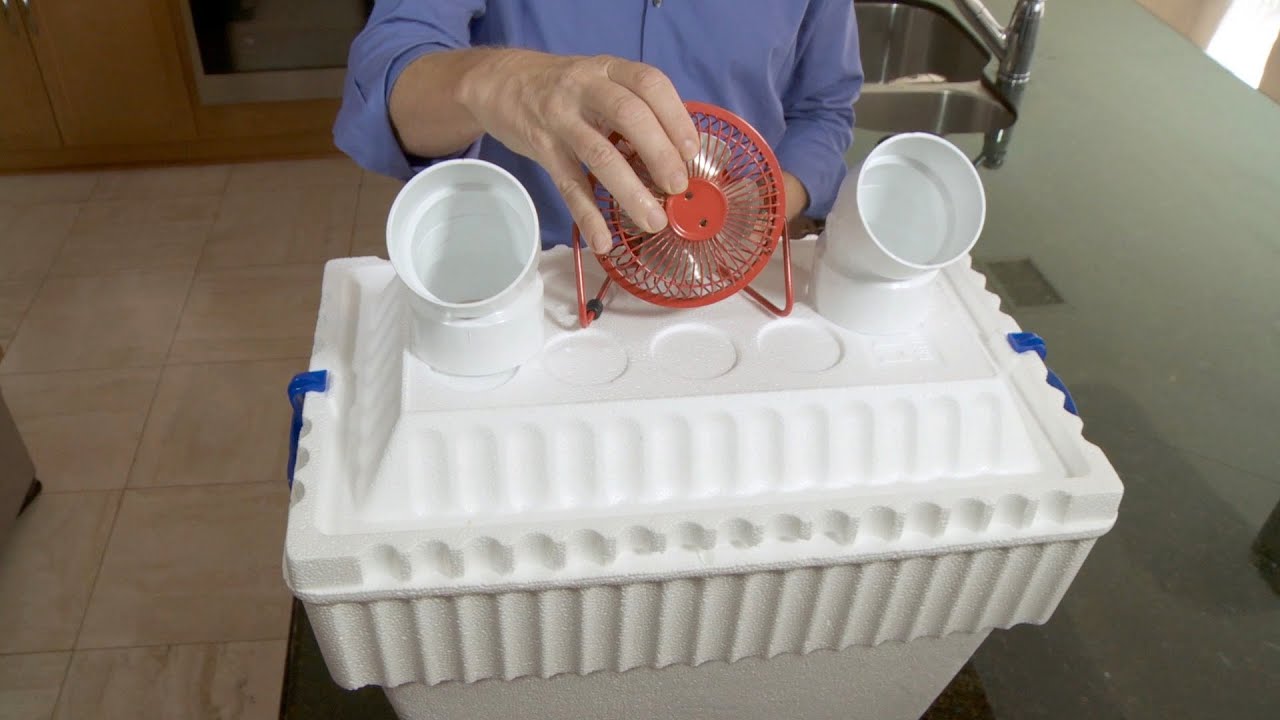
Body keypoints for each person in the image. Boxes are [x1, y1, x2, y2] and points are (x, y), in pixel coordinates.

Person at [334, 1, 863, 254]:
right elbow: (385, 83)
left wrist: (770, 207)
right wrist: (494, 80)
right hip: (529, 278)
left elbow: (824, 109)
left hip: (727, 281)